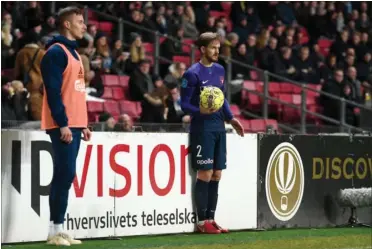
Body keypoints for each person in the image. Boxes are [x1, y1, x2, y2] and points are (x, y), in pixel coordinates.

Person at [180, 32, 244, 234]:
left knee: (217, 174)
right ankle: (201, 221)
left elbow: (222, 97)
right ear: (202, 50)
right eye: (213, 48)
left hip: (219, 127)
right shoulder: (192, 73)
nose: (217, 51)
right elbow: (184, 104)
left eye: (218, 47)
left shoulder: (219, 70)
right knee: (205, 173)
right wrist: (200, 111)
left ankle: (211, 218)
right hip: (202, 128)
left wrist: (231, 118)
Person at [40, 6, 91, 246]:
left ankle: (59, 227)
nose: (85, 26)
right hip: (63, 125)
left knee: (66, 174)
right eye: (80, 22)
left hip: (74, 125)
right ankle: (55, 230)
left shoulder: (74, 53)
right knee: (64, 173)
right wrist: (63, 124)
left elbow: (76, 92)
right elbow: (52, 92)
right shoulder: (55, 53)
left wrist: (84, 124)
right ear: (67, 25)